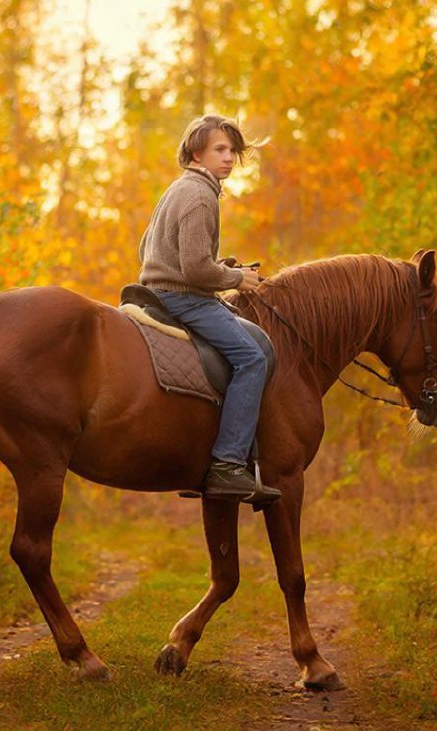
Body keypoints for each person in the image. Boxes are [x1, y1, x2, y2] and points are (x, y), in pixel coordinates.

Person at [137, 114, 280, 505]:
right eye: (220, 149)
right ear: (196, 151)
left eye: (232, 150)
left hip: (159, 291)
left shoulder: (179, 188)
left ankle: (228, 458)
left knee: (260, 343)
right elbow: (195, 269)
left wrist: (223, 269)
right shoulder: (201, 195)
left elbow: (148, 250)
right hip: (184, 298)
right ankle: (226, 465)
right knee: (252, 360)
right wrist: (237, 280)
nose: (229, 158)